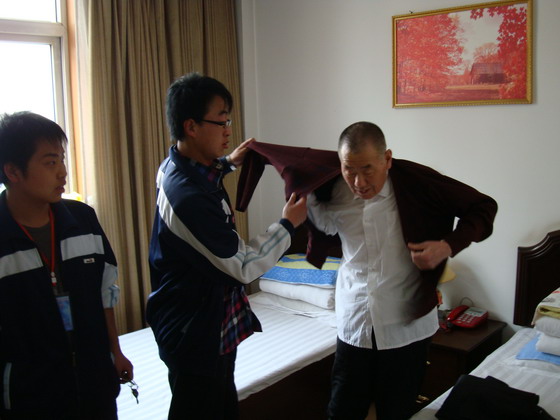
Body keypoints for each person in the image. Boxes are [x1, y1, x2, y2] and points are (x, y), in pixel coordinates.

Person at [307, 121, 498, 420]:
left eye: (367, 169)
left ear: (387, 159)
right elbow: (324, 223)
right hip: (354, 321)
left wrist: (447, 246)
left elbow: (484, 207)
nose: (358, 182)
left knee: (396, 412)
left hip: (405, 328)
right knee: (341, 410)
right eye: (349, 170)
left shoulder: (419, 185)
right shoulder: (330, 189)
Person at [146, 72, 307, 420]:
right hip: (192, 330)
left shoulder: (177, 164)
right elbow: (243, 267)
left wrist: (229, 163)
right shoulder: (187, 198)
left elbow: (203, 176)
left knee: (221, 407)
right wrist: (287, 225)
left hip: (211, 321)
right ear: (191, 126)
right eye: (221, 122)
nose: (228, 131)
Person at [0, 111, 133, 420]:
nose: (63, 172)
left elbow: (105, 293)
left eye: (62, 159)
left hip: (94, 383)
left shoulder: (82, 220)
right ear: (13, 171)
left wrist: (115, 351)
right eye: (50, 163)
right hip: (31, 395)